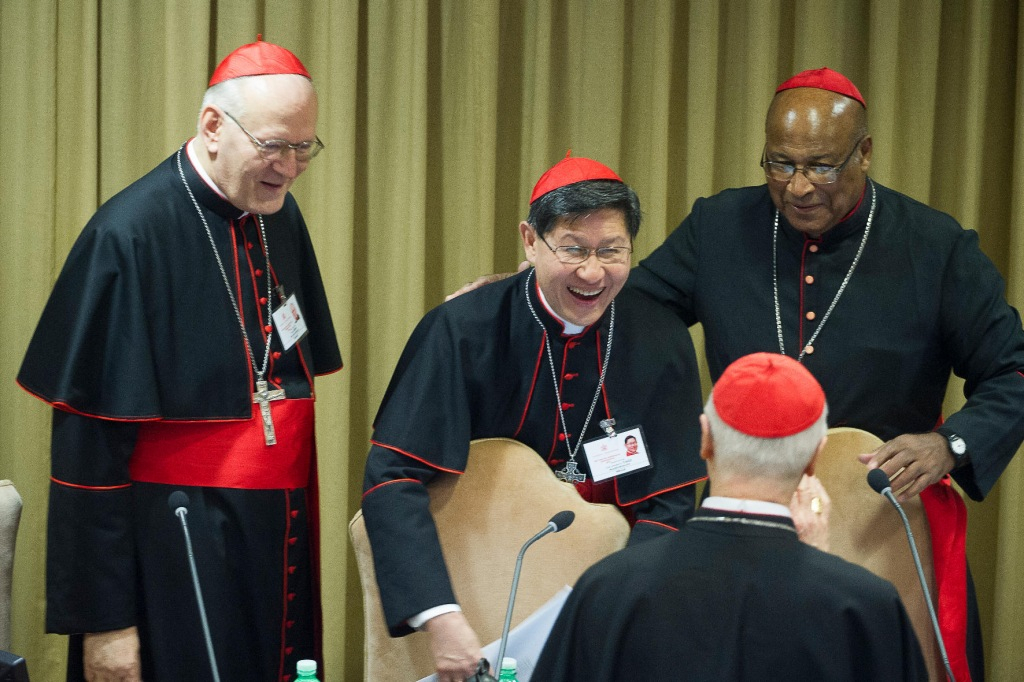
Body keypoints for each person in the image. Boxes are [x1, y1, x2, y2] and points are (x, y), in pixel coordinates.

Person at [625, 66, 1024, 681]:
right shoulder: (718, 226)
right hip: (743, 517)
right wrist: (539, 291)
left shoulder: (936, 247)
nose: (798, 187)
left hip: (878, 521)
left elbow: (1012, 370)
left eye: (821, 167)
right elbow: (632, 312)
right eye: (780, 165)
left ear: (864, 152)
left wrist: (951, 444)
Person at [17, 38, 342, 682]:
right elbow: (87, 457)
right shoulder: (127, 235)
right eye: (274, 146)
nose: (290, 167)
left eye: (305, 148)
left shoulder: (276, 213)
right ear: (213, 126)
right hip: (174, 542)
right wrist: (107, 624)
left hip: (272, 533)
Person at [361, 155, 706, 681]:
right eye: (574, 249)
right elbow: (392, 476)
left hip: (606, 598)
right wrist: (439, 615)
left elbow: (672, 501)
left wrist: (617, 606)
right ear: (530, 241)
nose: (593, 272)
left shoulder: (661, 339)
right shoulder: (461, 329)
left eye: (612, 250)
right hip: (470, 597)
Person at [533, 352, 928, 681]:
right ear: (814, 458)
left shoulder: (609, 587)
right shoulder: (866, 607)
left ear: (705, 439)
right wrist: (821, 568)